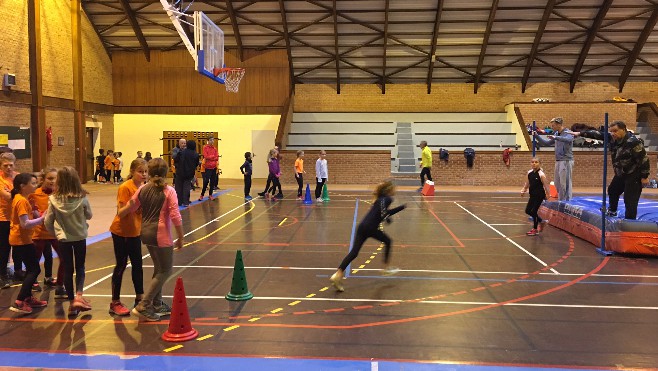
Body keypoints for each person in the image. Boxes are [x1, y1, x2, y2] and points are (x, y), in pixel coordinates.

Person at [118, 158, 184, 321]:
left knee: (158, 267)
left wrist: (121, 212)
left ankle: (156, 302)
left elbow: (131, 206)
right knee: (166, 270)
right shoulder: (169, 191)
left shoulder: (142, 189)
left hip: (145, 233)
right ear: (166, 172)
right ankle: (144, 305)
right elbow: (175, 215)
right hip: (160, 234)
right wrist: (181, 237)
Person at [329, 181, 406, 292]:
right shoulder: (388, 199)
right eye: (394, 188)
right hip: (371, 228)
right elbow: (384, 211)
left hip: (362, 226)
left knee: (354, 252)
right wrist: (389, 216)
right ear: (389, 190)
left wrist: (393, 212)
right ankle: (385, 268)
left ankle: (337, 274)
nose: (395, 190)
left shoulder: (379, 198)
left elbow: (383, 210)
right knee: (388, 241)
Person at [44, 167, 93, 316]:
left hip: (63, 238)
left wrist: (56, 234)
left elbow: (48, 222)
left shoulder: (53, 199)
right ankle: (79, 295)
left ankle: (72, 302)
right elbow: (89, 215)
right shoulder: (82, 198)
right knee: (80, 267)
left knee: (68, 268)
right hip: (79, 237)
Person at [581, 121, 650, 219]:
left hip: (634, 174)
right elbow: (599, 135)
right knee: (613, 190)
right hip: (621, 174)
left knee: (630, 200)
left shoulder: (633, 142)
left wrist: (644, 176)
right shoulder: (613, 139)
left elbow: (643, 159)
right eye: (611, 131)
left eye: (615, 131)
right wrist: (580, 133)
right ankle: (612, 211)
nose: (613, 134)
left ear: (624, 129)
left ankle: (630, 221)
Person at [109, 158, 148, 316]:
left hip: (135, 232)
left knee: (138, 265)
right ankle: (115, 302)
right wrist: (131, 206)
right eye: (140, 171)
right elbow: (120, 212)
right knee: (121, 265)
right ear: (132, 172)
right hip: (121, 232)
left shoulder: (144, 188)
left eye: (145, 172)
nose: (143, 174)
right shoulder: (126, 187)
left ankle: (140, 298)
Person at [8, 173, 47, 314]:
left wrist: (38, 213)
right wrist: (43, 218)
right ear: (22, 186)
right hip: (21, 240)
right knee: (34, 270)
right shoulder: (21, 201)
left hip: (22, 239)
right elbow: (25, 224)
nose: (35, 185)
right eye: (33, 183)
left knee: (32, 268)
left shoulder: (23, 199)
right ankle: (19, 301)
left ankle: (28, 298)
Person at [29, 168, 64, 294]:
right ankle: (32, 281)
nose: (53, 181)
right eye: (49, 178)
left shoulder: (60, 194)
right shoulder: (34, 194)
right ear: (43, 179)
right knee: (35, 259)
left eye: (55, 178)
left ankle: (60, 286)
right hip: (39, 232)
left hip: (55, 232)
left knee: (64, 258)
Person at [533, 117, 575, 201]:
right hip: (558, 160)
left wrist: (556, 138)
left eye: (553, 125)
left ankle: (566, 201)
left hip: (566, 160)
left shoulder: (568, 132)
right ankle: (561, 199)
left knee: (565, 183)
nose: (552, 127)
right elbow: (546, 143)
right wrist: (537, 136)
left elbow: (568, 139)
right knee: (557, 184)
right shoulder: (556, 134)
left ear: (559, 125)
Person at [0, 152, 19, 288]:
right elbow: (7, 197)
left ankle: (17, 272)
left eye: (11, 165)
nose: (8, 168)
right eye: (5, 165)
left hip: (17, 217)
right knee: (4, 247)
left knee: (18, 246)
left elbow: (26, 193)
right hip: (3, 218)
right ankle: (2, 274)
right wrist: (17, 193)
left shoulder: (18, 177)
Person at [521, 158, 551, 236]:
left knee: (534, 211)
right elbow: (527, 183)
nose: (534, 163)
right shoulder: (529, 173)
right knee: (528, 211)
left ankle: (535, 229)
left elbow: (546, 185)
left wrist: (548, 194)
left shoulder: (541, 174)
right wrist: (524, 190)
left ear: (539, 164)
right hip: (532, 195)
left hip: (539, 195)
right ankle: (542, 221)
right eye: (532, 162)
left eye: (536, 162)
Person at [174, 140, 199, 207]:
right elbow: (196, 164)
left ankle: (179, 202)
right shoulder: (195, 154)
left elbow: (176, 160)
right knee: (187, 187)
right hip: (189, 173)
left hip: (180, 172)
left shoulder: (181, 152)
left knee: (179, 187)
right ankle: (186, 202)